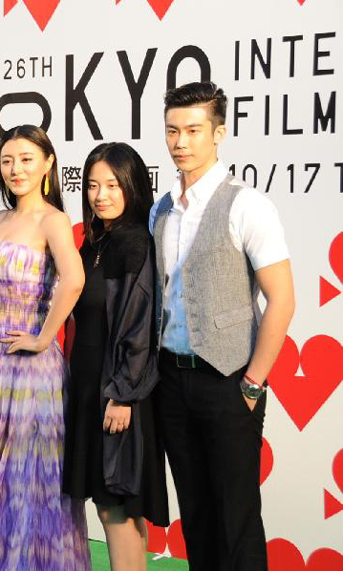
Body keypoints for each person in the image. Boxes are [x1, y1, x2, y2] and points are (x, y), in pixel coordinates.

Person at [150, 81, 294, 570]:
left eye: (193, 130)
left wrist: (253, 382)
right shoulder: (161, 210)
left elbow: (283, 301)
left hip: (230, 382)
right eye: (172, 130)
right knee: (195, 514)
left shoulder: (247, 204)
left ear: (219, 133)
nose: (180, 142)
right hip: (171, 380)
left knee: (236, 518)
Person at [0, 125, 90, 570]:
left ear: (48, 163)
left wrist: (43, 336)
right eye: (8, 160)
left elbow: (74, 280)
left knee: (29, 476)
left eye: (27, 159)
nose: (16, 169)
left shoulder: (53, 220)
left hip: (30, 367)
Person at [63, 143, 169, 570]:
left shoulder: (134, 242)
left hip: (119, 393)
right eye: (92, 185)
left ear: (132, 186)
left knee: (118, 505)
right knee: (111, 505)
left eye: (111, 185)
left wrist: (123, 394)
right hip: (92, 387)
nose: (100, 195)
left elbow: (139, 324)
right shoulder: (95, 244)